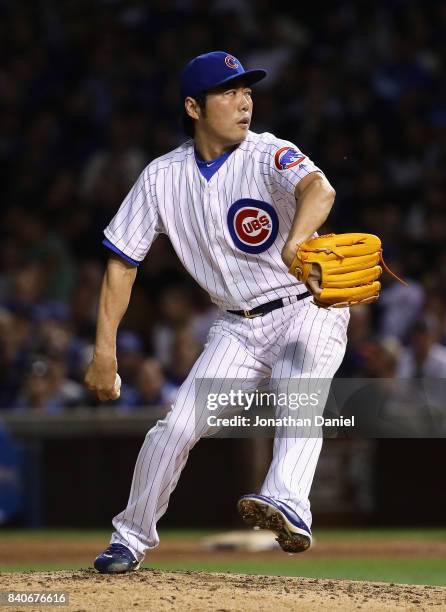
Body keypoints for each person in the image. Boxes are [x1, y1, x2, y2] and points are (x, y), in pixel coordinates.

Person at [86, 51, 350, 573]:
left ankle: (289, 503)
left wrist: (298, 240)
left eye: (247, 91)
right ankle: (130, 539)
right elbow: (122, 264)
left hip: (307, 307)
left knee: (299, 395)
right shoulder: (162, 178)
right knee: (176, 428)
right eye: (228, 93)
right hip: (236, 326)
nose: (244, 102)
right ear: (193, 107)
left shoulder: (268, 153)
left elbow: (319, 188)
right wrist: (104, 352)